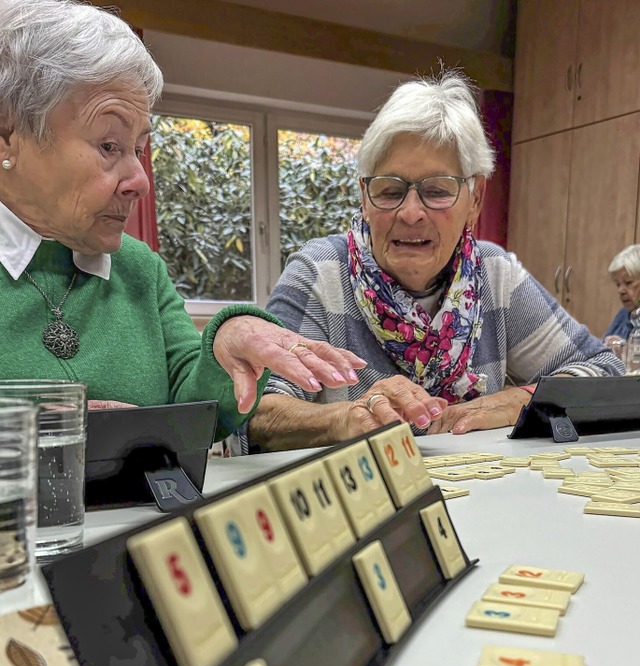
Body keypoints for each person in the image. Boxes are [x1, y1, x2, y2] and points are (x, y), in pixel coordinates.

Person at [0, 0, 364, 440]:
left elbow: (200, 413)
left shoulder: (138, 269)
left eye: (139, 148)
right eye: (110, 145)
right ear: (8, 137)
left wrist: (227, 342)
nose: (140, 180)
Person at [247, 71, 624, 452]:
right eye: (390, 190)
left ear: (475, 200)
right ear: (364, 195)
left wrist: (520, 399)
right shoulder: (320, 273)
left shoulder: (495, 275)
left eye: (437, 191)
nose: (411, 213)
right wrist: (345, 418)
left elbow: (605, 372)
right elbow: (257, 413)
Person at [603, 244, 640, 347]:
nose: (620, 290)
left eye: (628, 282)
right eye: (618, 284)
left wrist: (625, 352)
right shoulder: (623, 314)